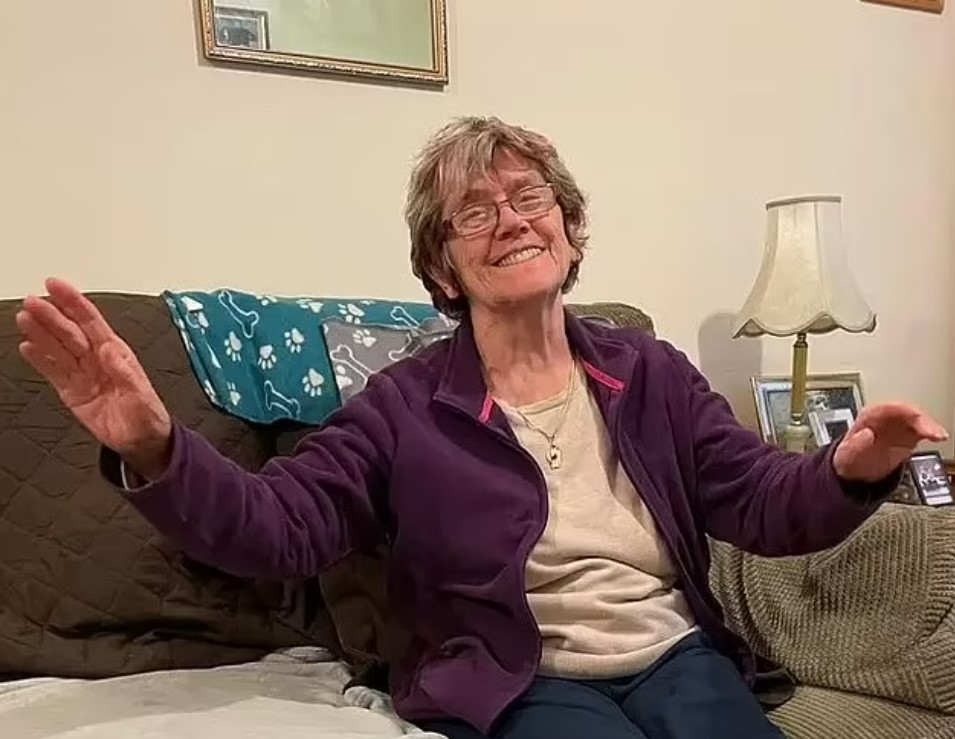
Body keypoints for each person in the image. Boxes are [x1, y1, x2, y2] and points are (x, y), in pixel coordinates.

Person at [16, 116, 947, 739]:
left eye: (530, 197)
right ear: (443, 269)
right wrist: (151, 443)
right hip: (516, 676)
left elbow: (757, 501)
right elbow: (279, 526)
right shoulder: (400, 404)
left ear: (570, 231)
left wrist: (850, 466)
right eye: (474, 211)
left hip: (675, 651)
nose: (510, 219)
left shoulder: (647, 369)